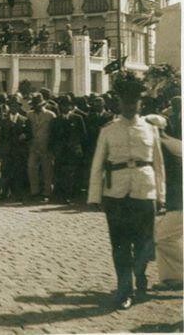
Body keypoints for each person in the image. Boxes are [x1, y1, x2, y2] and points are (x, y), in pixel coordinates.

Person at [87, 73, 166, 310]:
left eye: (135, 102)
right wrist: (94, 196)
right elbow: (98, 164)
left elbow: (159, 164)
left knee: (144, 242)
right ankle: (125, 290)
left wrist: (160, 196)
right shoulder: (109, 130)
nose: (130, 106)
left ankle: (140, 274)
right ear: (119, 103)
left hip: (145, 190)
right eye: (126, 102)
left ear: (140, 104)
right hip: (116, 193)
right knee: (120, 244)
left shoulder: (150, 130)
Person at [153, 98, 183, 291]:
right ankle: (172, 278)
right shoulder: (176, 142)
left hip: (178, 201)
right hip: (178, 200)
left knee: (163, 238)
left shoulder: (158, 147)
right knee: (166, 238)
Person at [52, 95, 87, 204]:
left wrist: (78, 147)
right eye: (63, 105)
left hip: (73, 150)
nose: (65, 107)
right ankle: (60, 195)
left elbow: (83, 135)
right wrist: (54, 150)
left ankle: (70, 195)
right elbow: (52, 136)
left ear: (71, 106)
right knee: (60, 173)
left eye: (67, 105)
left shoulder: (77, 118)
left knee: (71, 174)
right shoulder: (56, 120)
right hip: (60, 151)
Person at [0, 101, 31, 202]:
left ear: (19, 107)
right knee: (5, 172)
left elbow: (30, 134)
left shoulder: (24, 120)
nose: (13, 108)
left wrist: (25, 136)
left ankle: (18, 194)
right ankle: (4, 193)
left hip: (19, 151)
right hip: (7, 151)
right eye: (12, 106)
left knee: (19, 173)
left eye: (16, 106)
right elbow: (1, 138)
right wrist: (1, 151)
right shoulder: (4, 121)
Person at [27, 93, 56, 201]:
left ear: (42, 104)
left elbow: (54, 132)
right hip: (33, 147)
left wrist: (51, 147)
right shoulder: (29, 115)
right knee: (31, 168)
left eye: (37, 105)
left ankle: (47, 192)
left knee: (47, 170)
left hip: (46, 146)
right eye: (34, 105)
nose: (35, 107)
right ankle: (34, 191)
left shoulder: (50, 115)